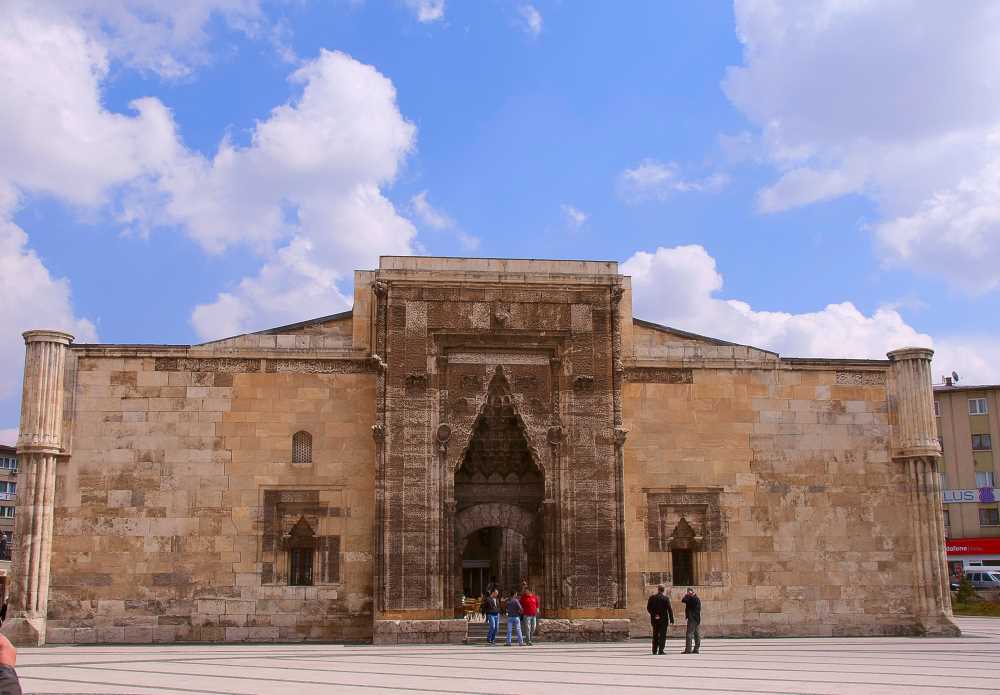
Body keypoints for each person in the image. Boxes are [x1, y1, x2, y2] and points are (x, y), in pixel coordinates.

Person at [646, 585, 674, 655]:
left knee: (655, 634)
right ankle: (661, 650)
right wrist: (671, 619)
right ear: (663, 590)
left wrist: (654, 615)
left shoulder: (652, 598)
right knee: (662, 635)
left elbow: (648, 608)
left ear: (658, 589)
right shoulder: (665, 598)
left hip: (655, 619)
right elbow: (669, 609)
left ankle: (654, 650)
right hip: (663, 620)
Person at [681, 587, 701, 654]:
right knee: (696, 634)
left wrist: (688, 595)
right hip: (695, 618)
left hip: (693, 618)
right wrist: (688, 595)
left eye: (688, 592)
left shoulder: (695, 598)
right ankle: (696, 649)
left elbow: (686, 600)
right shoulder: (692, 598)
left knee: (689, 634)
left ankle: (688, 649)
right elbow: (683, 600)